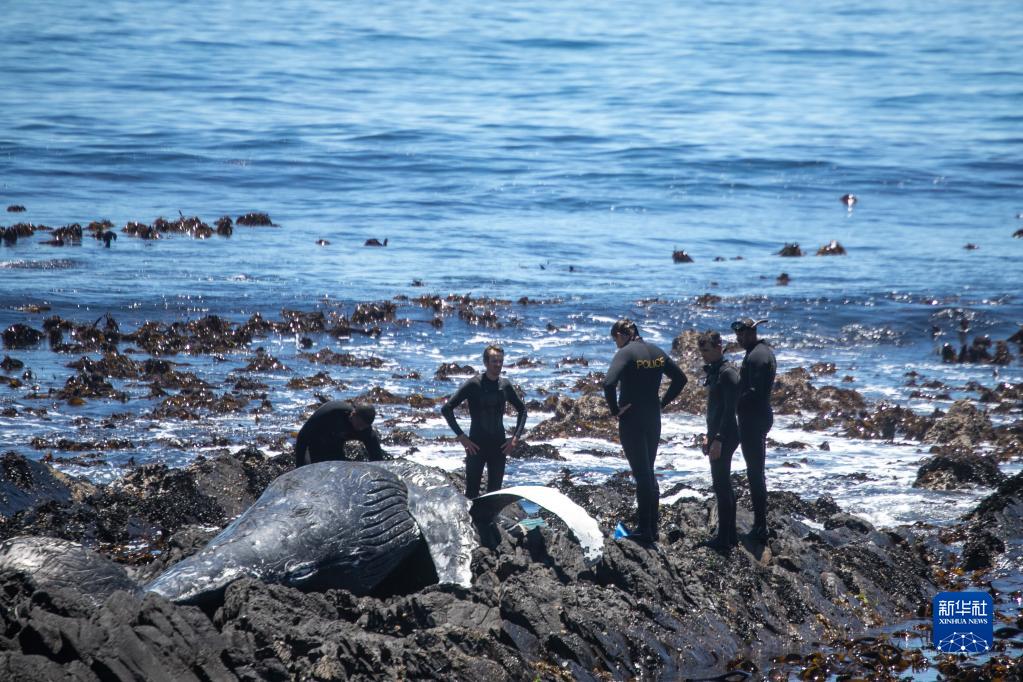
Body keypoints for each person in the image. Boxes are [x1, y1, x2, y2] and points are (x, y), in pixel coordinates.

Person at [603, 319, 687, 543]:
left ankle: (643, 530)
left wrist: (615, 410)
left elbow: (608, 383)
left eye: (616, 340)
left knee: (642, 474)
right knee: (648, 471)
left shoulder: (627, 353)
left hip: (632, 420)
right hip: (653, 418)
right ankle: (652, 528)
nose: (616, 346)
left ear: (622, 335)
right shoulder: (657, 351)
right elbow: (681, 379)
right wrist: (663, 402)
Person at [441, 344, 527, 498]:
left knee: (494, 495)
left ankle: (491, 522)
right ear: (486, 363)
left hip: (499, 447)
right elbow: (447, 409)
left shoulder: (505, 385)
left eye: (500, 361)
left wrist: (514, 439)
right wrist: (462, 437)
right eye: (494, 361)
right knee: (471, 494)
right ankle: (471, 522)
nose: (498, 365)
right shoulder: (474, 384)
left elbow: (522, 410)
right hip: (476, 447)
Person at [731, 317, 777, 543]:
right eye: (738, 335)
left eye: (743, 334)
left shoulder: (758, 356)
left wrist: (732, 402)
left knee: (755, 472)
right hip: (757, 416)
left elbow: (755, 392)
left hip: (754, 418)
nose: (739, 338)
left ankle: (760, 525)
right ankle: (760, 522)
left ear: (752, 332)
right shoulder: (759, 351)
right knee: (755, 471)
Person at [696, 330, 740, 552]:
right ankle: (729, 535)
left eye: (706, 350)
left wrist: (719, 439)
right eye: (701, 351)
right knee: (722, 484)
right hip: (717, 433)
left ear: (718, 347)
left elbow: (730, 410)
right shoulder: (715, 371)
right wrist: (708, 435)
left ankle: (724, 538)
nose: (703, 355)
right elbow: (715, 409)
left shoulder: (727, 373)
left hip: (727, 435)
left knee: (722, 485)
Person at [294, 400, 384, 467]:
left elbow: (377, 459)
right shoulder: (332, 413)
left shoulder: (366, 430)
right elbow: (302, 437)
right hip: (315, 440)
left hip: (335, 444)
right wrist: (299, 466)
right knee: (309, 468)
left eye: (364, 427)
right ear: (353, 414)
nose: (360, 429)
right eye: (359, 424)